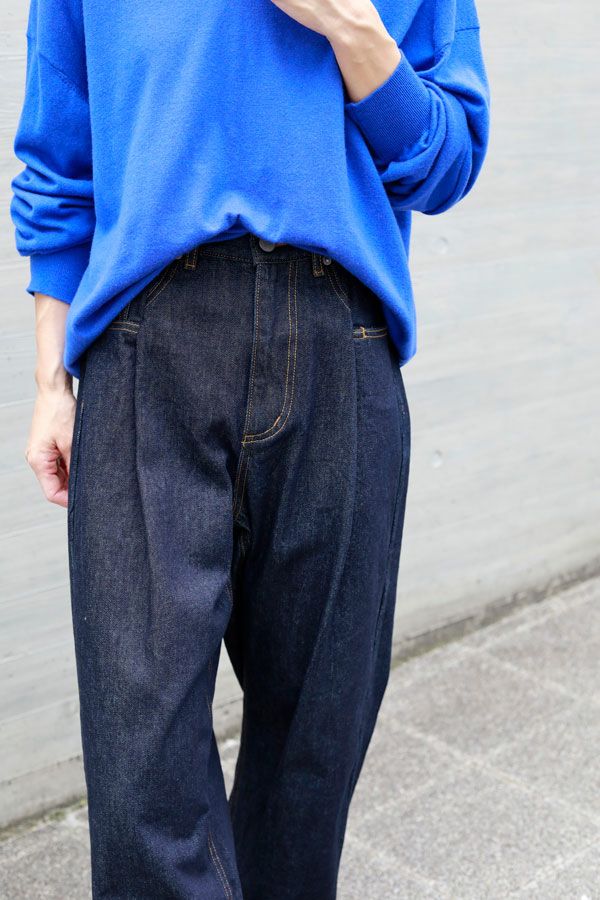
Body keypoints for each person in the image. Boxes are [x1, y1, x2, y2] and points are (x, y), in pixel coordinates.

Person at [10, 0, 490, 896]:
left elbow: (449, 157)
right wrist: (50, 381)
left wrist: (352, 27)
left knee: (311, 766)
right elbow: (59, 158)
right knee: (142, 778)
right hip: (148, 351)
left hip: (342, 344)